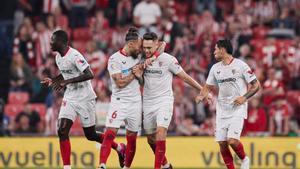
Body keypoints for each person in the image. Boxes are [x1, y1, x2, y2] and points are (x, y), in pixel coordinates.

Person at [41, 30, 125, 169]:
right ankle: (67, 167)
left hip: (85, 96)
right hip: (71, 96)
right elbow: (66, 73)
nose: (50, 43)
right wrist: (54, 80)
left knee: (90, 135)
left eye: (52, 40)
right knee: (62, 130)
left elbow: (89, 74)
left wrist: (67, 82)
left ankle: (119, 148)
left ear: (61, 42)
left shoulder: (75, 55)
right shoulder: (58, 58)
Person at [134, 32, 204, 169]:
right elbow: (143, 82)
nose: (147, 50)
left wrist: (202, 89)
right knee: (150, 139)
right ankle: (166, 165)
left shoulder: (168, 60)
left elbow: (184, 77)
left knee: (161, 132)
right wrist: (139, 76)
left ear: (156, 44)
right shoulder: (141, 60)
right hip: (148, 102)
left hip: (164, 101)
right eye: (145, 48)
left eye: (150, 47)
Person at [98, 27, 165, 169]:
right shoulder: (114, 59)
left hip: (135, 102)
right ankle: (102, 165)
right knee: (110, 133)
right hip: (119, 101)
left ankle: (126, 167)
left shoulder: (139, 57)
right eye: (139, 46)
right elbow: (120, 83)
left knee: (132, 138)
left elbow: (162, 45)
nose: (142, 49)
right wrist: (135, 73)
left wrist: (151, 59)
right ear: (131, 44)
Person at [197, 39, 261, 169]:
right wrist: (201, 95)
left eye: (215, 49)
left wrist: (244, 97)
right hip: (221, 110)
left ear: (223, 49)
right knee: (222, 142)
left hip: (237, 109)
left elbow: (256, 85)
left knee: (232, 140)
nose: (214, 52)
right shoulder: (215, 68)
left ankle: (244, 159)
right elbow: (208, 86)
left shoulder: (241, 66)